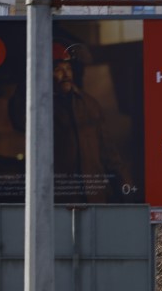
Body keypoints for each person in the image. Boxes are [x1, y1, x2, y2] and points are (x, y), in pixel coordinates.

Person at [52, 40, 134, 203]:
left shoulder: (89, 104)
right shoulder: (39, 108)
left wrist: (128, 190)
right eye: (58, 69)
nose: (66, 74)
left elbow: (109, 153)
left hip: (94, 198)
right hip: (60, 200)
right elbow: (19, 119)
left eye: (68, 68)